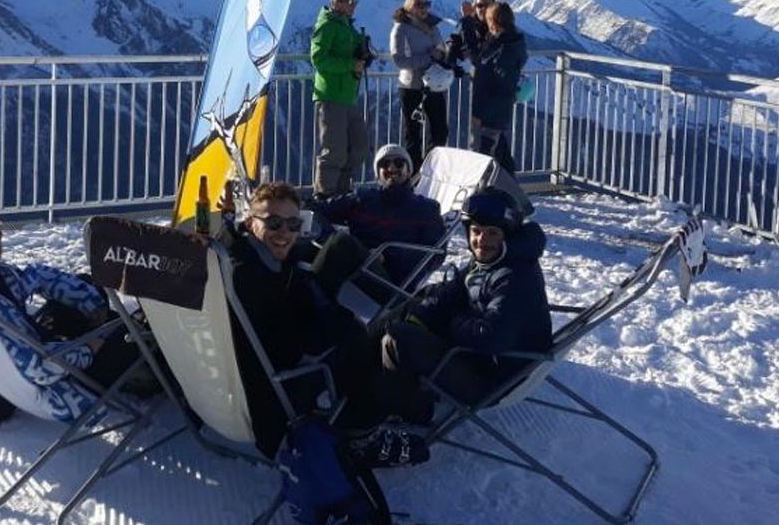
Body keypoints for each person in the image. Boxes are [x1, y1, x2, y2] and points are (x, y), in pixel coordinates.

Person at [223, 182, 430, 462]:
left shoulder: (245, 258)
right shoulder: (253, 280)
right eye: (273, 223)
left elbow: (291, 311)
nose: (284, 232)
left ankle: (404, 395)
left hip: (251, 383)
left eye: (293, 223)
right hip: (277, 396)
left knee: (351, 319)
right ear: (251, 223)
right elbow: (291, 347)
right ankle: (364, 436)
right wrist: (343, 326)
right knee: (363, 340)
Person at [0, 205, 150, 424]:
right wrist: (90, 347)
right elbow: (39, 367)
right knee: (128, 338)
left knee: (85, 285)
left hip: (18, 360)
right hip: (44, 381)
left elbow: (35, 277)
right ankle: (145, 370)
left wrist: (92, 304)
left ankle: (121, 334)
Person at [382, 187, 551, 407]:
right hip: (478, 358)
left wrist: (452, 321)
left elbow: (492, 337)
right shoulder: (493, 259)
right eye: (476, 231)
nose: (482, 240)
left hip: (492, 378)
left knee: (398, 338)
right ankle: (359, 371)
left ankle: (409, 418)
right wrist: (418, 313)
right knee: (413, 306)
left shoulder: (514, 276)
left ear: (507, 235)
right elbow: (454, 290)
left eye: (492, 232)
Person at [309, 144, 444, 289]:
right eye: (385, 164)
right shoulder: (364, 198)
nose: (392, 169)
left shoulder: (426, 209)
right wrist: (328, 238)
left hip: (392, 283)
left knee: (342, 243)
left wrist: (387, 254)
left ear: (409, 170)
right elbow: (320, 209)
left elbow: (436, 255)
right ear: (378, 173)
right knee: (305, 246)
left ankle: (313, 296)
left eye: (399, 163)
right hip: (355, 267)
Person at [310, 0, 370, 199]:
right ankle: (325, 195)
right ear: (334, 2)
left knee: (358, 146)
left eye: (353, 1)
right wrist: (350, 65)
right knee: (333, 149)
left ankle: (342, 192)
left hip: (348, 95)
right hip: (331, 95)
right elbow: (318, 59)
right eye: (345, 1)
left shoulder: (347, 26)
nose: (350, 5)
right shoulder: (327, 26)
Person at [390, 0, 449, 169]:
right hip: (412, 86)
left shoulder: (433, 26)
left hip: (435, 84)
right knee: (413, 134)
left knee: (440, 132)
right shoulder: (401, 28)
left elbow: (441, 49)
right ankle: (412, 174)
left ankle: (431, 170)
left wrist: (445, 56)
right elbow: (399, 60)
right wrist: (429, 57)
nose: (424, 8)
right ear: (408, 7)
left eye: (426, 4)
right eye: (419, 4)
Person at [468, 3, 528, 174]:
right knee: (498, 154)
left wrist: (481, 111)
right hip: (501, 107)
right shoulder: (514, 42)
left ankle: (483, 194)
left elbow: (480, 63)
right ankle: (505, 190)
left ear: (492, 21)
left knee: (481, 156)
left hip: (490, 108)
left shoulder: (500, 46)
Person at [458, 0, 496, 64]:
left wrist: (466, 19)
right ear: (475, 8)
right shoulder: (469, 25)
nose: (483, 9)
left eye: (488, 5)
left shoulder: (499, 29)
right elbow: (454, 44)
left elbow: (477, 57)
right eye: (480, 5)